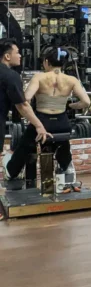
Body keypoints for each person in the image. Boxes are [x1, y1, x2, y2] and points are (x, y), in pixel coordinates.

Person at [6, 46, 90, 191]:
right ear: (63, 63)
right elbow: (86, 102)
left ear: (46, 62)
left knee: (25, 145)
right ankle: (65, 168)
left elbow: (26, 98)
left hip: (43, 121)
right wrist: (72, 106)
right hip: (62, 122)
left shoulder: (39, 77)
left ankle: (12, 172)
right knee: (63, 144)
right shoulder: (72, 80)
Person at [0, 40, 52, 189]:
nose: (20, 55)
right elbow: (22, 105)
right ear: (7, 56)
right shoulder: (10, 76)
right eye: (17, 52)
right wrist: (39, 126)